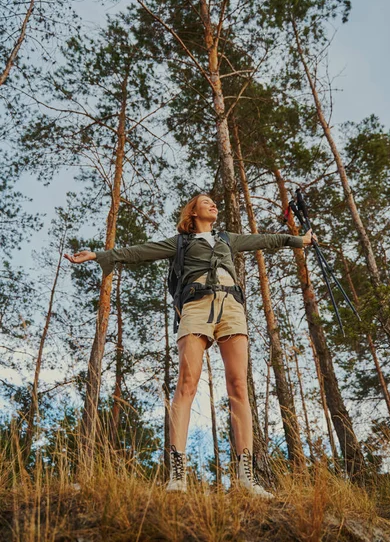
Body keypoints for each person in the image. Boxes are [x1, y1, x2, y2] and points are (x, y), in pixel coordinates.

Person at [65, 193, 316, 497]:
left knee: (238, 386)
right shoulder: (180, 242)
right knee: (186, 384)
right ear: (193, 212)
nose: (214, 204)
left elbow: (264, 239)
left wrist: (297, 241)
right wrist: (100, 256)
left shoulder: (227, 238)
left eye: (215, 202)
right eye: (206, 201)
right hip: (196, 307)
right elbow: (140, 252)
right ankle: (177, 475)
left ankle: (247, 478)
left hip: (232, 307)